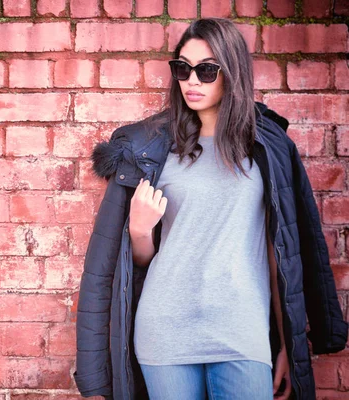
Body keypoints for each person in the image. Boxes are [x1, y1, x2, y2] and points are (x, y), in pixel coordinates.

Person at [74, 18, 348, 400]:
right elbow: (130, 262)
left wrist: (285, 345)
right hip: (164, 332)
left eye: (206, 70)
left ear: (231, 71)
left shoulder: (267, 147)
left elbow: (277, 253)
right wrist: (139, 230)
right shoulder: (151, 149)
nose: (192, 81)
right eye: (182, 69)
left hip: (242, 331)